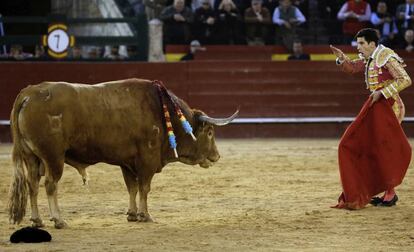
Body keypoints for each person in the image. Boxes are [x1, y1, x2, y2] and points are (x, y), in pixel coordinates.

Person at [330, 28, 412, 210]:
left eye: (361, 43)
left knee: (384, 149)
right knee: (375, 148)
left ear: (372, 44)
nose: (358, 47)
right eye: (357, 43)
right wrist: (342, 59)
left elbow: (405, 79)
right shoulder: (371, 57)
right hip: (377, 106)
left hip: (391, 107)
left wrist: (382, 92)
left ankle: (390, 193)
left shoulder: (385, 56)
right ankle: (387, 191)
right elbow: (353, 67)